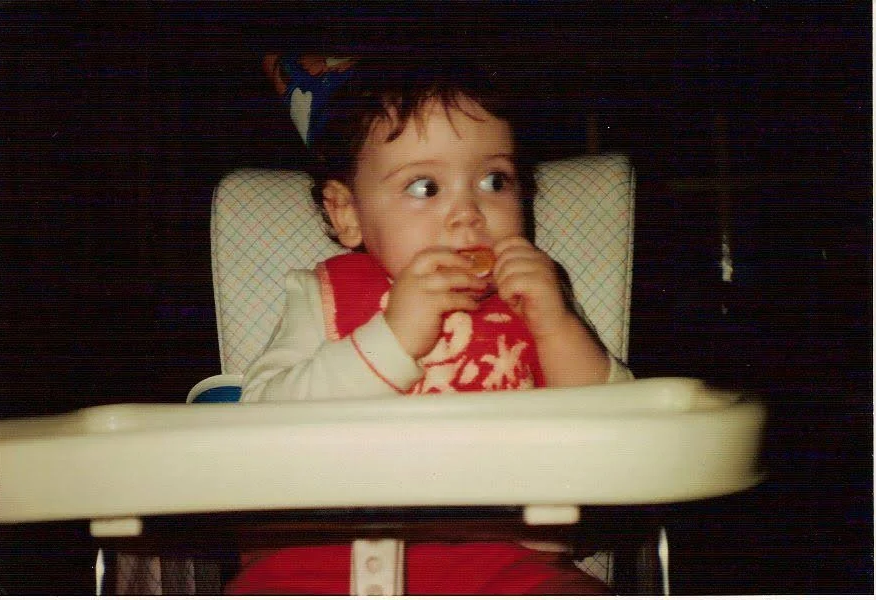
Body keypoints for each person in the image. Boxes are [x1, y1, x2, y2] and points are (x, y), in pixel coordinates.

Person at [228, 56, 632, 595]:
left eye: (494, 180)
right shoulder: (323, 294)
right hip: (318, 562)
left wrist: (557, 327)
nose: (468, 213)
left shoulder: (536, 298)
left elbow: (626, 433)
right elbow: (255, 428)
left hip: (505, 565)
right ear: (346, 213)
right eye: (424, 187)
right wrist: (391, 336)